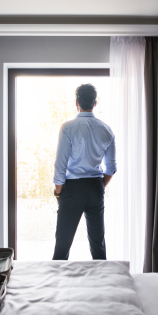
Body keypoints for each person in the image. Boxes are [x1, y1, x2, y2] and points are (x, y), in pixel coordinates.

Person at [52, 83, 116, 260]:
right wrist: (99, 186)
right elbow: (111, 167)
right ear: (95, 103)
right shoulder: (107, 130)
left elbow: (60, 165)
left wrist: (58, 193)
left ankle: (55, 285)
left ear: (76, 103)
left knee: (62, 245)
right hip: (95, 187)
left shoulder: (68, 128)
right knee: (98, 245)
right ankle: (103, 285)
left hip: (72, 189)